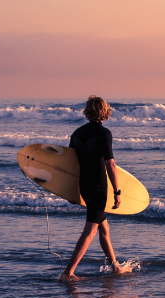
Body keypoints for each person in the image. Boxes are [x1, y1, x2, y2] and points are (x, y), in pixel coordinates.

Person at [61, 95, 131, 279]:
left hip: (84, 185)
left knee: (104, 228)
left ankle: (115, 266)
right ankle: (68, 272)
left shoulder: (76, 133)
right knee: (91, 230)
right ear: (104, 111)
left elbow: (71, 166)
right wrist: (117, 191)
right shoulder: (104, 133)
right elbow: (111, 165)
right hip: (99, 188)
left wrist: (71, 191)